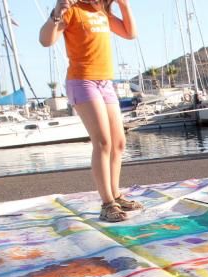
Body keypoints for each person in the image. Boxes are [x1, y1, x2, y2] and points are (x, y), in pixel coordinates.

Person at [40, 0, 141, 223]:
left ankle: (115, 194)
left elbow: (130, 33)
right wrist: (57, 12)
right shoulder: (72, 10)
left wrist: (124, 5)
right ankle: (107, 204)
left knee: (119, 142)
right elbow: (45, 40)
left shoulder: (101, 12)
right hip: (82, 82)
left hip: (105, 83)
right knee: (103, 142)